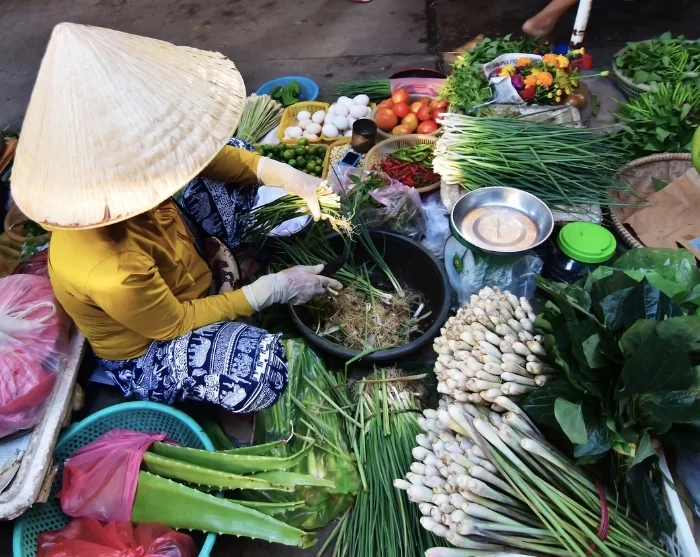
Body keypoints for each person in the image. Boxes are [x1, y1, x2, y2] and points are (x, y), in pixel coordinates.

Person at [11, 23, 342, 414]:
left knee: (231, 152)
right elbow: (173, 323)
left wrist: (283, 174)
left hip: (187, 264)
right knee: (261, 368)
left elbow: (204, 157)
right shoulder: (110, 268)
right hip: (152, 343)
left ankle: (223, 274)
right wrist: (270, 290)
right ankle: (217, 310)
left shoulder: (128, 172)